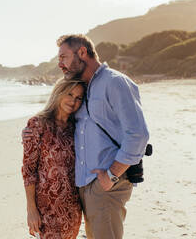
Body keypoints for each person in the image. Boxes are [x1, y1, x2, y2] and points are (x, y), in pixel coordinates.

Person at [24, 34, 149, 239]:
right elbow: (66, 122)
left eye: (63, 57)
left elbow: (138, 134)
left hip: (107, 184)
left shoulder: (115, 82)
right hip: (84, 186)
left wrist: (111, 175)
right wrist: (34, 130)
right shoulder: (85, 87)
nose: (60, 64)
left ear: (82, 52)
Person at [22, 78, 85, 239]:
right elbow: (29, 171)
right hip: (46, 209)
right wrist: (31, 210)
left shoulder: (77, 127)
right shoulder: (37, 124)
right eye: (69, 94)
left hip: (73, 207)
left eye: (79, 98)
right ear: (58, 93)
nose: (73, 101)